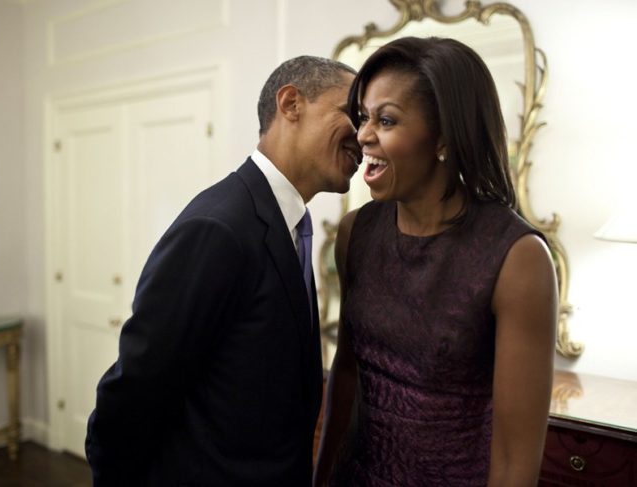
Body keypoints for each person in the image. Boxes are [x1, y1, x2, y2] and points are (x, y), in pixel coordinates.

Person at [85, 55, 361, 486]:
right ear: (291, 104)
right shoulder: (218, 228)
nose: (364, 135)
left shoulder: (288, 222)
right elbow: (134, 391)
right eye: (352, 113)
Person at [313, 37, 557, 486]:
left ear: (443, 135)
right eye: (363, 117)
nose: (363, 134)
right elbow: (346, 373)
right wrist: (321, 477)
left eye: (385, 120)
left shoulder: (518, 258)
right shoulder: (356, 234)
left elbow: (514, 459)